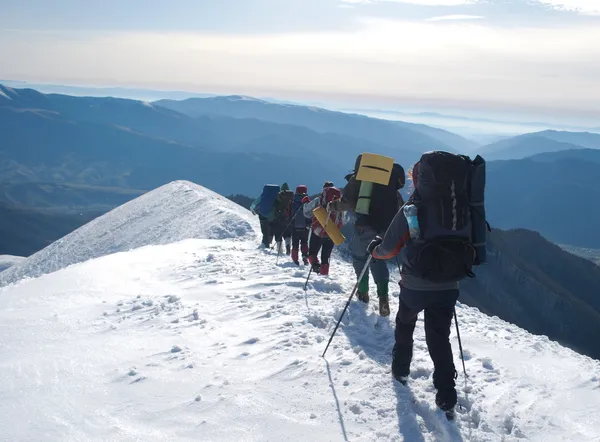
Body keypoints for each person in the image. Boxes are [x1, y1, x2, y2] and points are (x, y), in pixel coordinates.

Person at [367, 151, 485, 419]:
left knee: (405, 322)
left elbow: (389, 247)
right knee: (439, 337)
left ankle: (401, 368)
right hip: (449, 284)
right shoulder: (461, 206)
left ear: (418, 178)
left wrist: (375, 252)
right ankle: (446, 393)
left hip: (415, 285)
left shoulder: (412, 207)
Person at [327, 156, 405, 317]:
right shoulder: (389, 186)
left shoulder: (359, 181)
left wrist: (332, 206)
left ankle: (363, 293)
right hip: (385, 229)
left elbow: (346, 203)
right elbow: (400, 208)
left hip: (364, 227)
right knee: (378, 259)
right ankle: (383, 296)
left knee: (360, 258)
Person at [302, 181, 342, 276]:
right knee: (326, 256)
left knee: (312, 252)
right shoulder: (339, 202)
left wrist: (305, 203)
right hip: (331, 232)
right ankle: (324, 275)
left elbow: (307, 213)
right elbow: (341, 219)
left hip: (318, 231)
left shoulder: (318, 200)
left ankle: (316, 267)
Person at [290, 185, 311, 265]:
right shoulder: (308, 202)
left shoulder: (293, 201)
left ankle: (295, 260)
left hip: (294, 226)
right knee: (304, 242)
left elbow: (288, 213)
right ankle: (305, 256)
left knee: (295, 243)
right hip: (305, 226)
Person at [272, 183, 294, 255]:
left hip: (278, 219)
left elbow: (274, 207)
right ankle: (288, 246)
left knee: (278, 234)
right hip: (288, 219)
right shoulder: (291, 197)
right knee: (288, 234)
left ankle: (279, 250)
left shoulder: (278, 197)